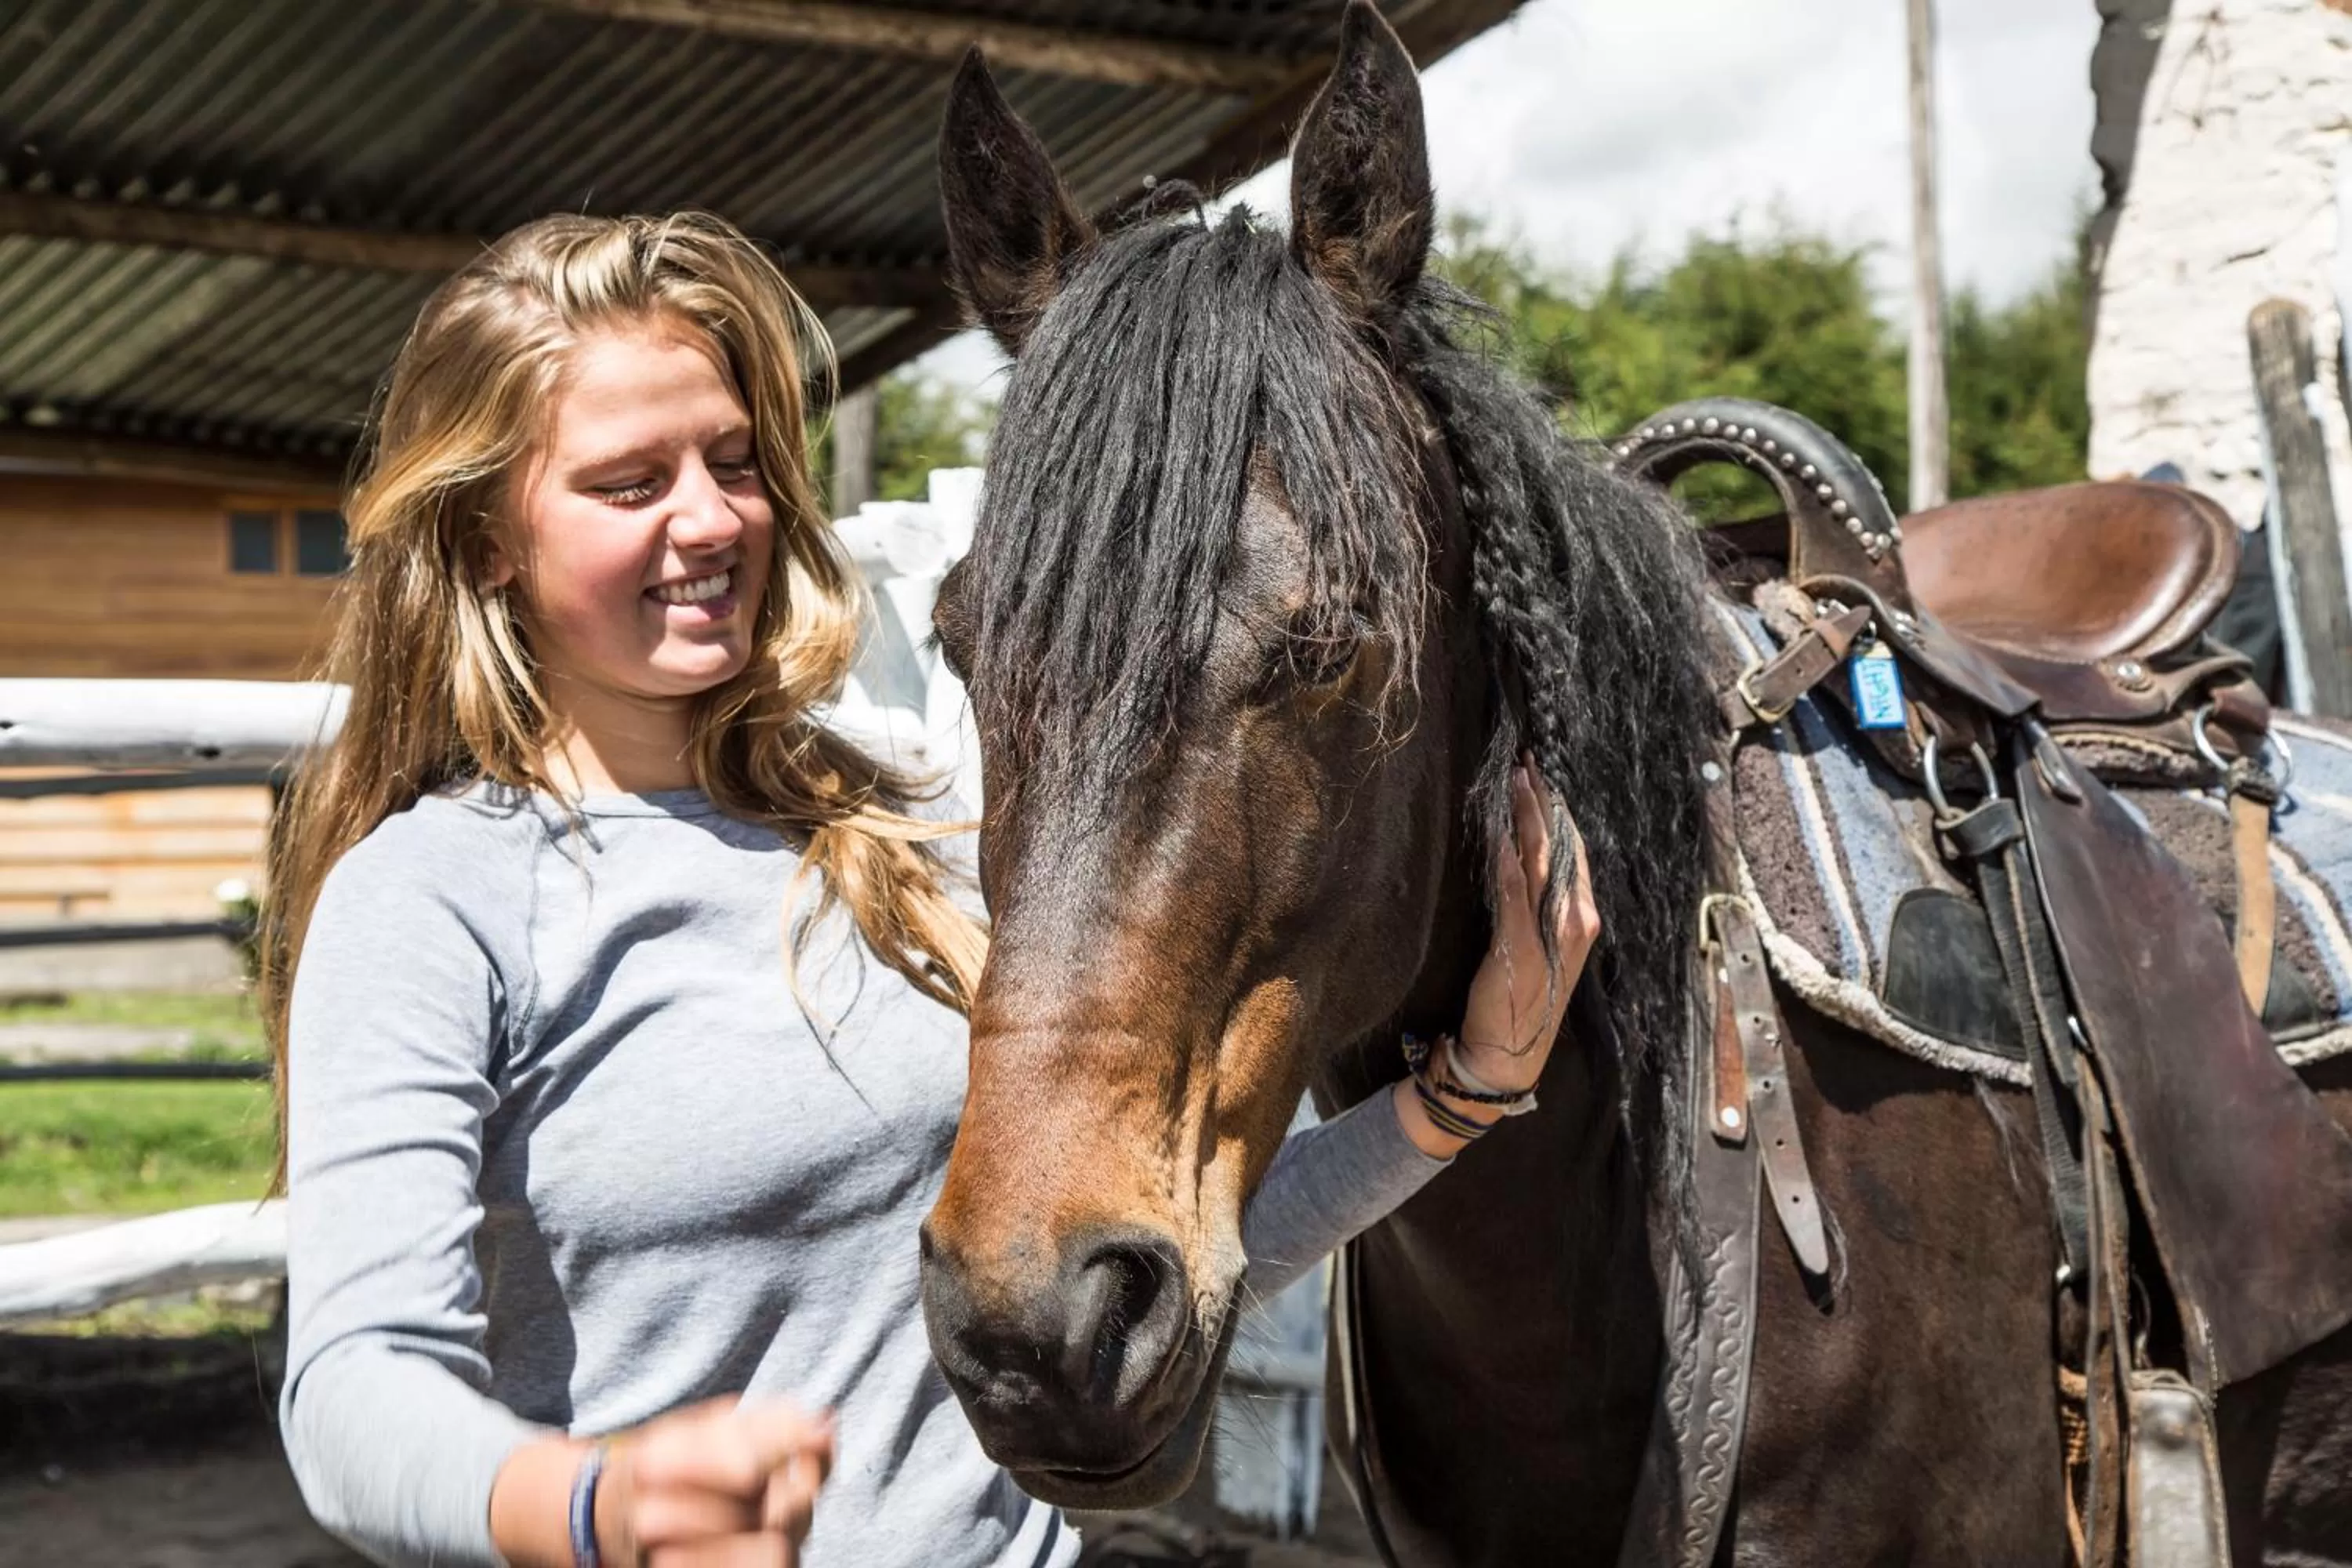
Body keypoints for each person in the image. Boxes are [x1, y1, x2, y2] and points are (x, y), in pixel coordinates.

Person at [263, 210, 1596, 1568]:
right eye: (628, 484)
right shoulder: (432, 900)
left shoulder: (898, 829)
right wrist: (596, 1511)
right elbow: (354, 1394)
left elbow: (1162, 1245)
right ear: (486, 538)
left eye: (732, 460)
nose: (711, 518)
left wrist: (1454, 1100)